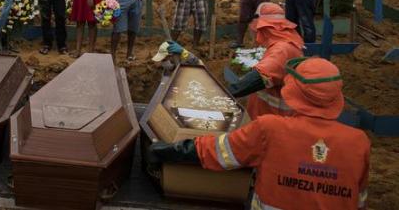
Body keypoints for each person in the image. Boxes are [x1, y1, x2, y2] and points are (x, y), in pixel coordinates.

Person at [148, 57, 370, 210]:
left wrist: (170, 150)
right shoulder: (359, 143)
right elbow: (358, 200)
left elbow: (219, 152)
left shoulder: (271, 129)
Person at [229, 2, 304, 118]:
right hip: (269, 118)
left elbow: (261, 76)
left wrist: (225, 93)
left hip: (275, 122)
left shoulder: (281, 50)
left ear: (264, 27)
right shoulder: (284, 45)